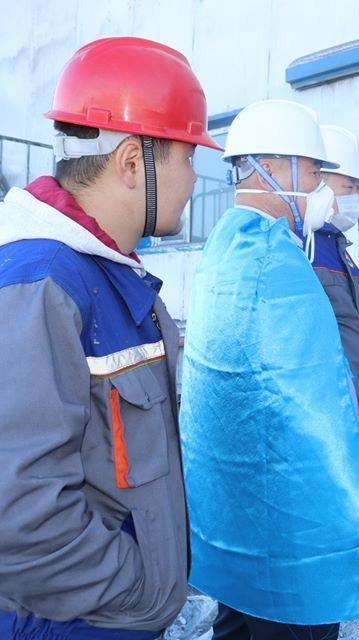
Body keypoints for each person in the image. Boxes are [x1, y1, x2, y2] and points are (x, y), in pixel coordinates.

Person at [0, 37, 219, 639]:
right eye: (187, 156)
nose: (194, 178)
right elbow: (18, 517)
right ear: (130, 162)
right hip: (76, 623)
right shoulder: (41, 283)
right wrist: (139, 589)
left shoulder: (106, 272)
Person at [180, 100, 359, 640]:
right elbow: (312, 403)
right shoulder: (274, 258)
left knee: (240, 617)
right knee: (294, 621)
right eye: (316, 169)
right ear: (273, 166)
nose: (321, 184)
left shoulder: (227, 244)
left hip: (236, 502)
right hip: (288, 507)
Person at [299, 123, 359, 473]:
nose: (355, 198)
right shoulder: (302, 249)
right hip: (327, 418)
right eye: (350, 187)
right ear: (319, 181)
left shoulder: (338, 248)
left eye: (358, 189)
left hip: (358, 411)